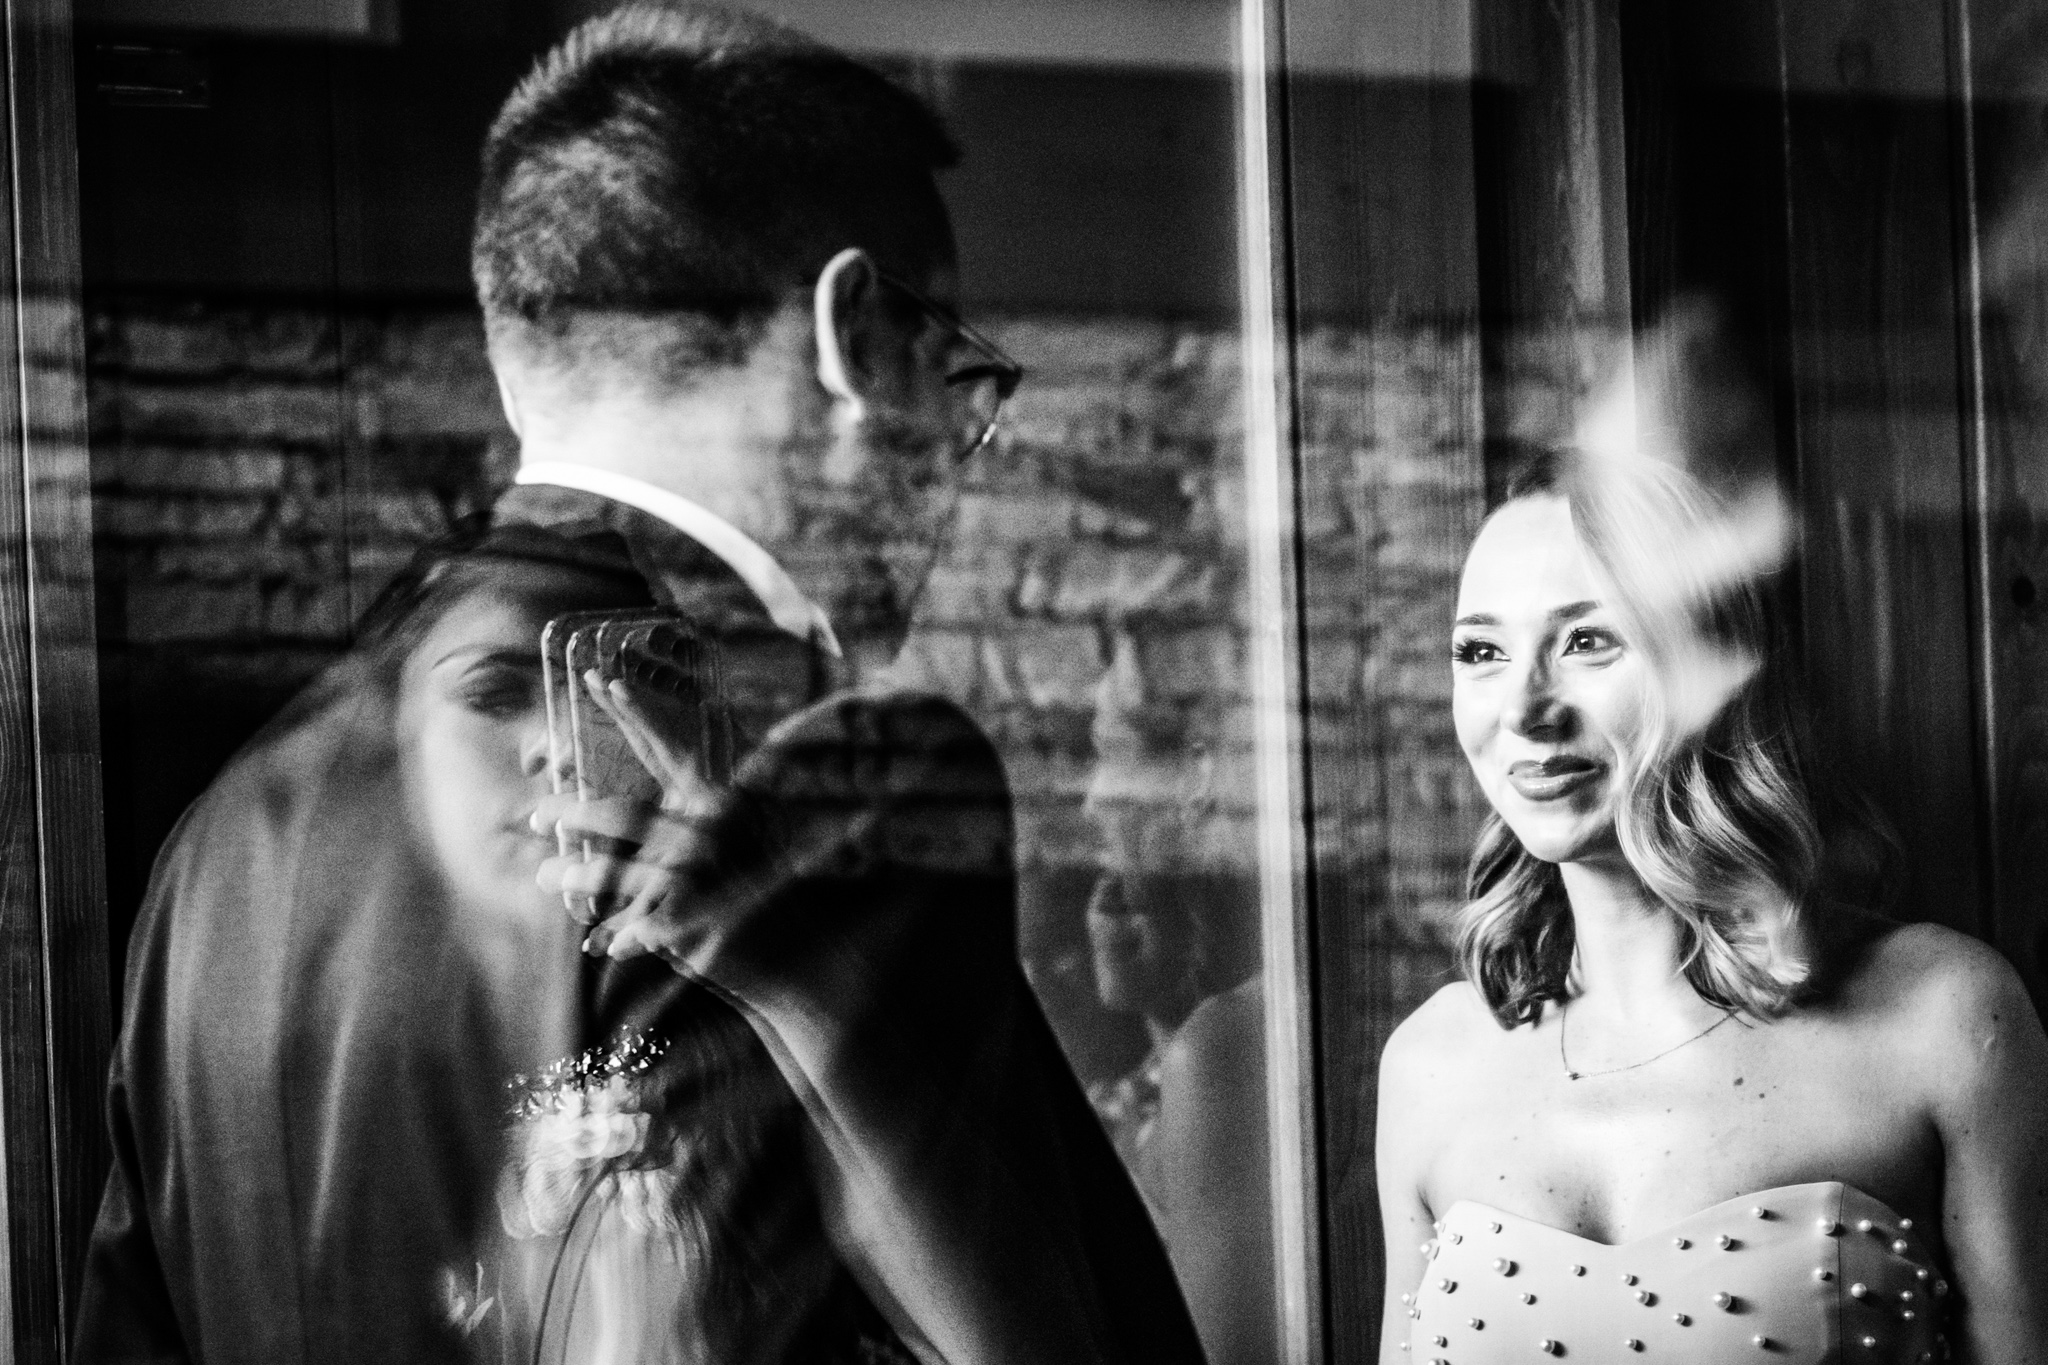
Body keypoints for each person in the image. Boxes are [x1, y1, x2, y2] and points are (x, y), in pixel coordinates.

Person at [76, 6, 1202, 1363]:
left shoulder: (218, 855)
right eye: (953, 378)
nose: (961, 456)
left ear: (517, 363)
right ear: (851, 334)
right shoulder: (808, 778)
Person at [1375, 450, 2048, 1364]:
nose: (1526, 710)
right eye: (1482, 652)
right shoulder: (1432, 1065)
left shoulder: (1944, 1015)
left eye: (1588, 640)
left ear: (1710, 665)